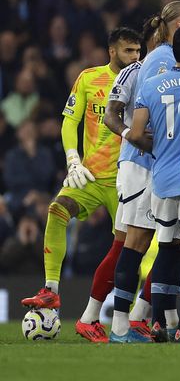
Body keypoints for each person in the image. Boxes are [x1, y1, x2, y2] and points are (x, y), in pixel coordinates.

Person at [20, 27, 141, 342]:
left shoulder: (143, 80)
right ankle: (51, 289)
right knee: (57, 210)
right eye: (129, 51)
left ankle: (138, 316)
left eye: (138, 51)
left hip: (125, 179)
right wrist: (72, 159)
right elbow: (70, 120)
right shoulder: (89, 78)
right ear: (112, 51)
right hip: (88, 174)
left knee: (132, 249)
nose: (135, 58)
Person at [104, 1, 180, 342]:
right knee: (136, 242)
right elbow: (154, 110)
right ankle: (121, 325)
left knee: (162, 242)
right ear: (177, 24)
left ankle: (155, 320)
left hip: (154, 161)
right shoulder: (164, 59)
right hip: (145, 162)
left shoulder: (159, 56)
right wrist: (140, 138)